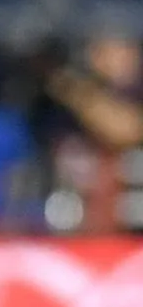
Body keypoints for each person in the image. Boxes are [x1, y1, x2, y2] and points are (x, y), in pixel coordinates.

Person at [45, 29, 143, 234]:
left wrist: (77, 92)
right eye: (102, 50)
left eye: (127, 49)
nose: (124, 58)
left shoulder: (76, 92)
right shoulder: (63, 107)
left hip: (134, 229)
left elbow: (126, 131)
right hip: (79, 225)